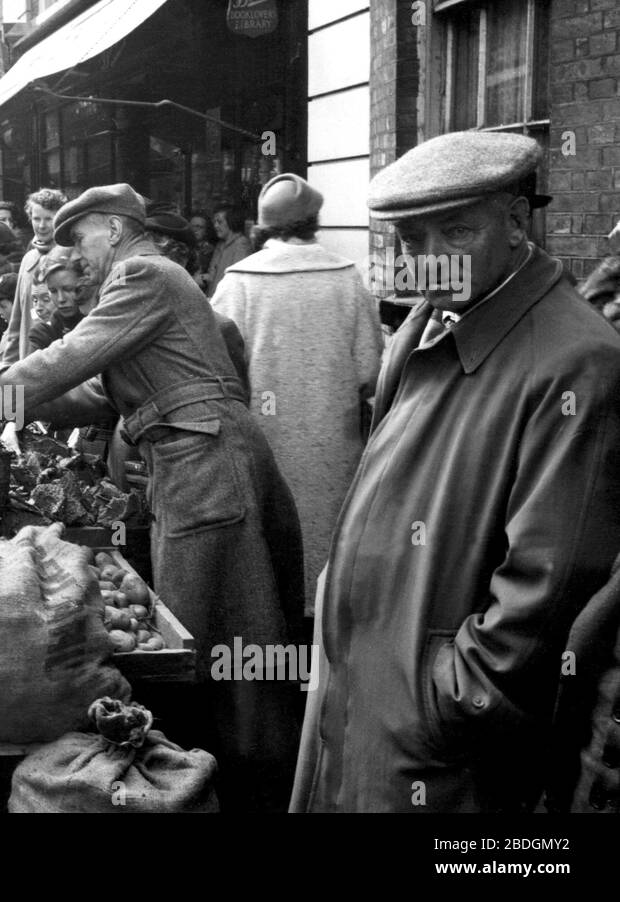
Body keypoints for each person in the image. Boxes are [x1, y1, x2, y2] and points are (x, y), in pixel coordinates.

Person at [291, 132, 620, 813]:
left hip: (437, 749)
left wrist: (447, 702)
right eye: (413, 239)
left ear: (515, 221)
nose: (431, 259)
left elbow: (548, 588)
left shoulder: (576, 360)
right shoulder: (429, 325)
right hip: (376, 710)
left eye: (458, 230)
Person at [0, 185, 306, 811]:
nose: (77, 254)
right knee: (234, 619)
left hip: (203, 465)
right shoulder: (161, 287)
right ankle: (231, 767)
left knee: (209, 628)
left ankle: (228, 776)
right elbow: (93, 394)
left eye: (80, 238)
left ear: (114, 228)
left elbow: (68, 358)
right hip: (205, 459)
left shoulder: (144, 271)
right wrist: (3, 387)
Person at [211, 174, 383, 618]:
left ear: (263, 228)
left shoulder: (238, 283)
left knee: (273, 557)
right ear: (314, 223)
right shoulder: (347, 278)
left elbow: (219, 375)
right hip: (336, 450)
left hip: (267, 449)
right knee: (328, 556)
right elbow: (369, 372)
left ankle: (278, 651)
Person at [0, 188, 68, 363]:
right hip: (26, 357)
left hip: (57, 359)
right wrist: (7, 365)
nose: (41, 225)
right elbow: (16, 320)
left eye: (49, 219)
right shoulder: (28, 259)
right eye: (36, 218)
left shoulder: (70, 256)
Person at [27, 256, 84, 353]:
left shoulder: (100, 320)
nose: (61, 299)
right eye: (53, 291)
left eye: (68, 289)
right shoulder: (43, 333)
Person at [204, 204, 253, 298]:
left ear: (231, 222)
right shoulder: (220, 244)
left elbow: (237, 282)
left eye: (219, 222)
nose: (215, 226)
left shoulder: (241, 245)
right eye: (214, 222)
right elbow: (212, 275)